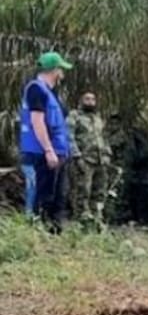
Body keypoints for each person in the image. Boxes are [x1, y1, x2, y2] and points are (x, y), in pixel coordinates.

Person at [19, 52, 73, 230]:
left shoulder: (50, 93)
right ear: (55, 70)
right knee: (40, 194)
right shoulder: (36, 89)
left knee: (56, 195)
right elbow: (37, 121)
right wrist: (48, 149)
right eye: (61, 69)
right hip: (39, 152)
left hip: (56, 151)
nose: (63, 74)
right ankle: (34, 229)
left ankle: (52, 229)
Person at [68, 91, 113, 226]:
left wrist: (107, 154)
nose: (90, 101)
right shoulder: (74, 116)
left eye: (93, 99)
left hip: (100, 161)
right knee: (83, 191)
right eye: (87, 99)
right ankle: (81, 221)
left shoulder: (98, 118)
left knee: (100, 192)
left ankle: (97, 219)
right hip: (84, 160)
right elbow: (68, 137)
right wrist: (77, 156)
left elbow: (103, 138)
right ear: (81, 101)